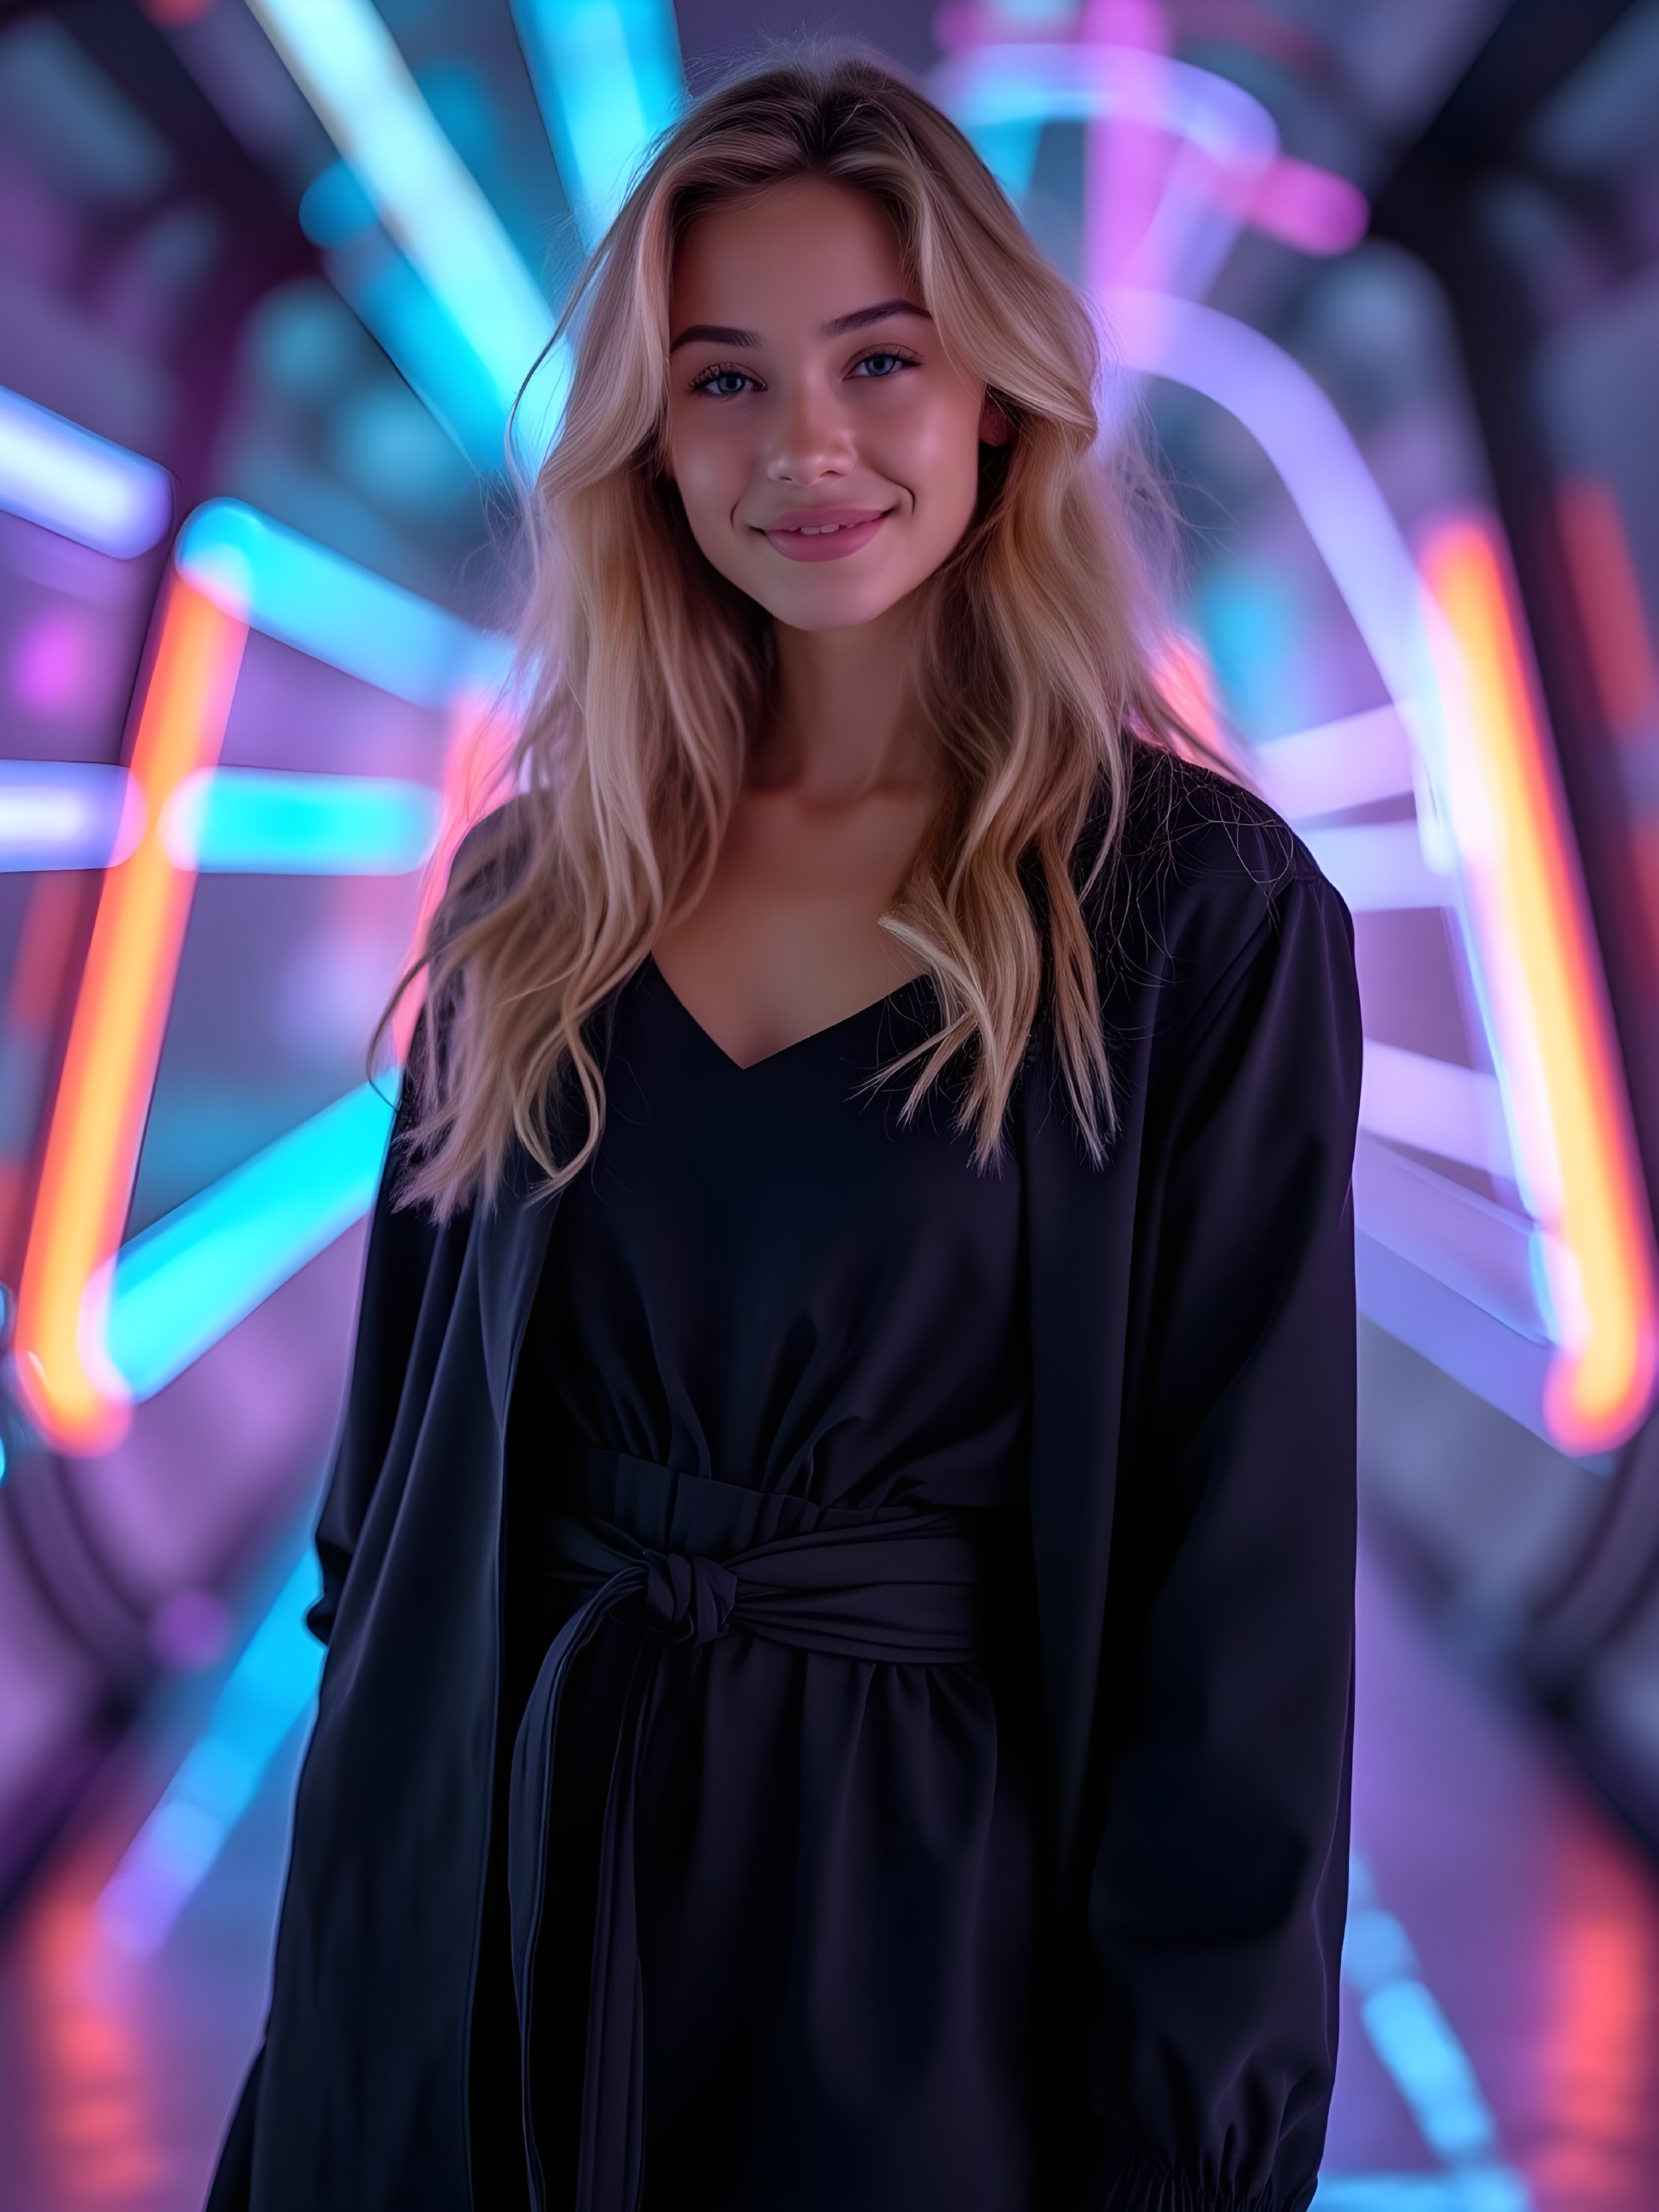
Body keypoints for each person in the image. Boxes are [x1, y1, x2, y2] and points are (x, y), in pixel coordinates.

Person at [207, 50, 1361, 2212]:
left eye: (878, 361)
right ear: (648, 444)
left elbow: (1242, 1608)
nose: (803, 446)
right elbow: (390, 1514)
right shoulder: (542, 891)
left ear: (996, 400)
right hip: (494, 1904)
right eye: (723, 380)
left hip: (921, 1943)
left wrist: (1188, 2135)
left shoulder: (1194, 917)